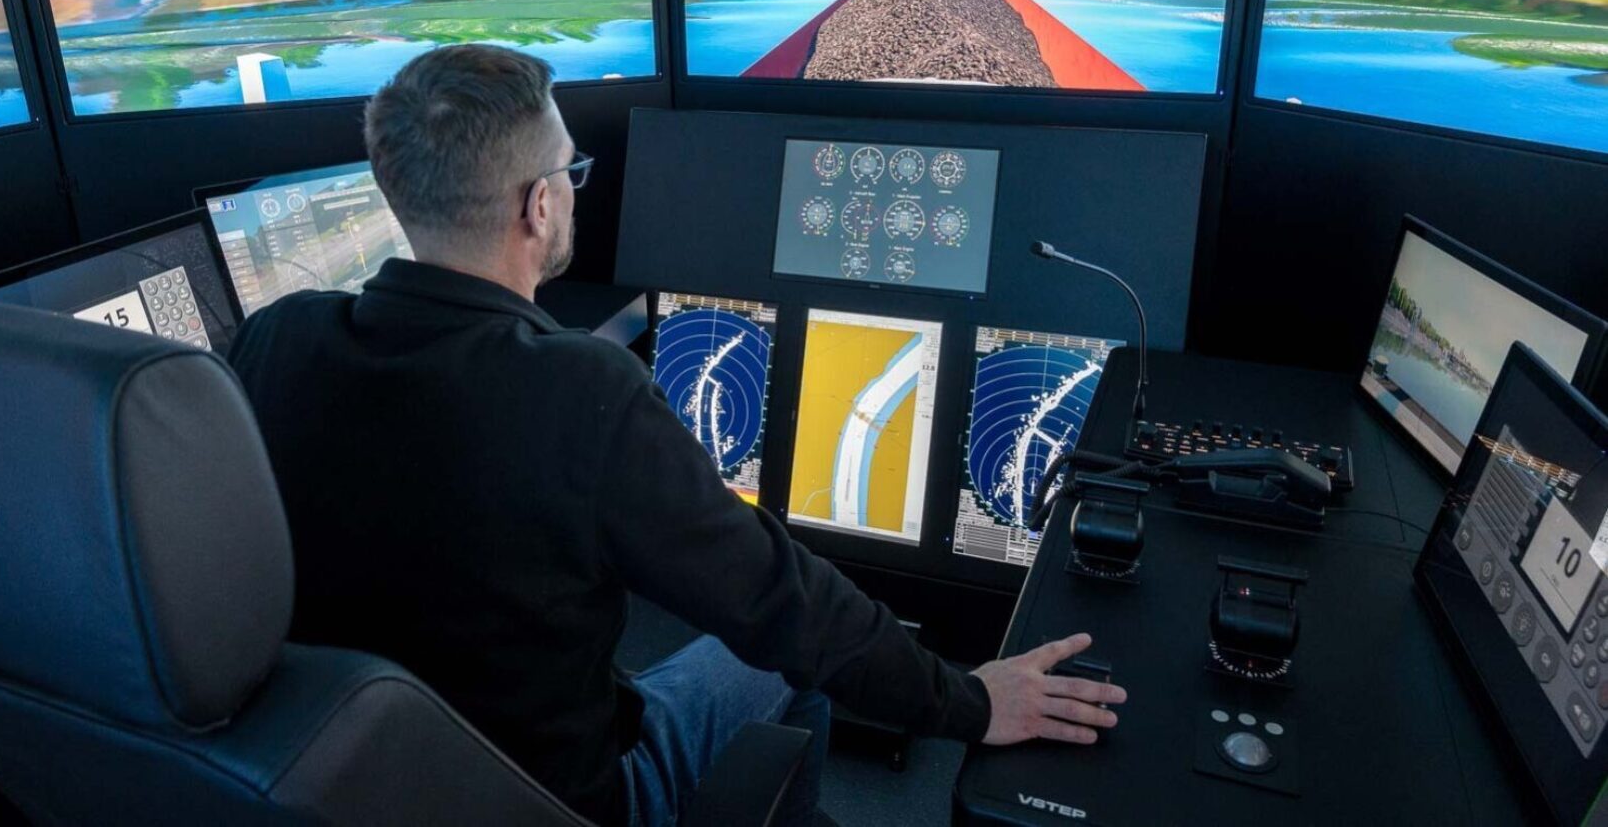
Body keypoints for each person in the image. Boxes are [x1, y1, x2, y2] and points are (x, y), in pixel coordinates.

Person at [227, 44, 1126, 827]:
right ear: (539, 206)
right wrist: (969, 701)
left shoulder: (279, 339)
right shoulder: (579, 390)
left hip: (346, 782)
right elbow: (782, 605)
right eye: (571, 175)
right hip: (553, 800)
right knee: (780, 665)